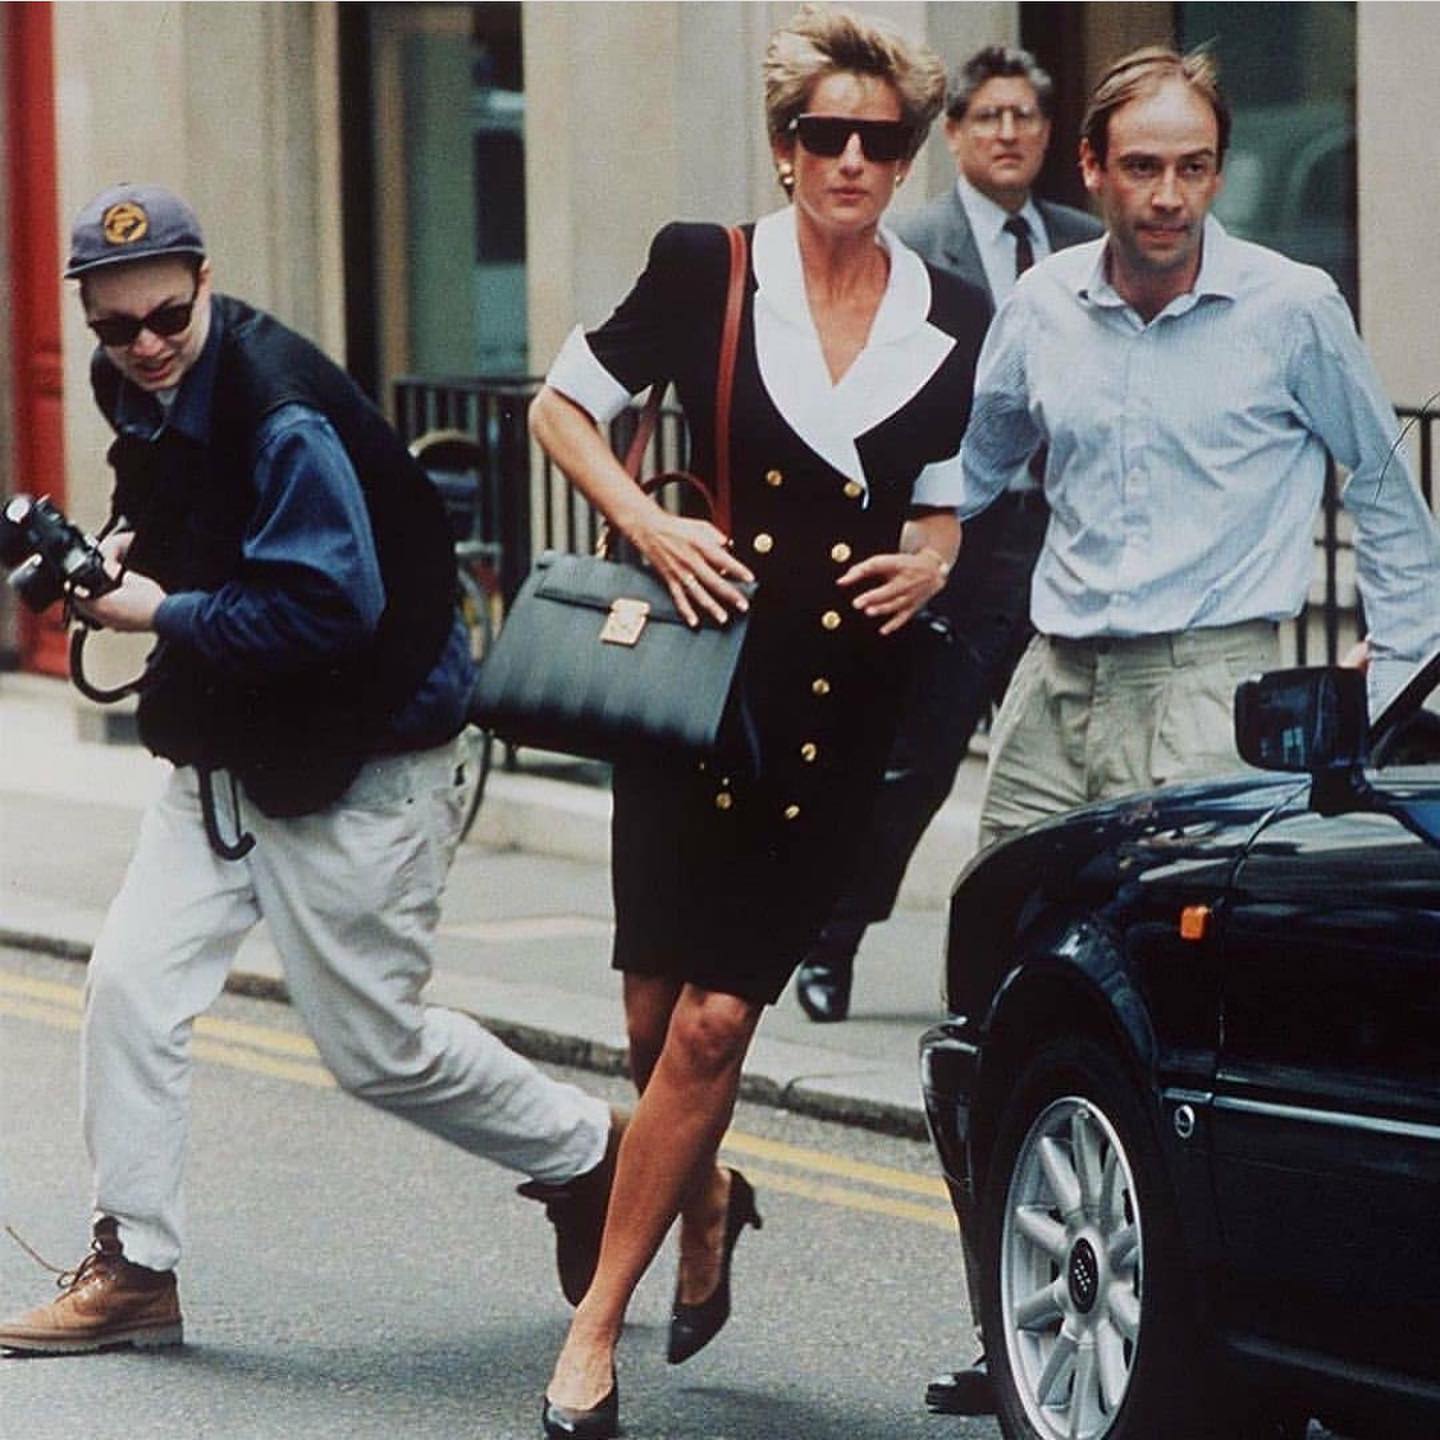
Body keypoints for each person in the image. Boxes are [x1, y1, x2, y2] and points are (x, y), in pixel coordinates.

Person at [0, 183, 623, 1358]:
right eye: (115, 327)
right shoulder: (136, 383)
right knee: (129, 984)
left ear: (207, 283)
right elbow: (179, 501)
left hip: (364, 758)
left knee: (375, 1049)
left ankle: (596, 1155)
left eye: (166, 317)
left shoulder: (283, 416)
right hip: (229, 751)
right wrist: (122, 552)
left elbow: (329, 611)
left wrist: (158, 610)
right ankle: (135, 1268)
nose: (143, 347)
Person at [927, 45, 1440, 1418]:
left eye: (1195, 167)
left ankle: (1182, 1343)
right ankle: (1016, 1318)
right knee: (997, 1010)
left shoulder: (1292, 309)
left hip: (1214, 695)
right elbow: (974, 468)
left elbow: (1386, 501)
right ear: (1091, 168)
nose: (1169, 196)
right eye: (1143, 167)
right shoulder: (1041, 304)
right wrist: (890, 539)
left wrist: (1397, 688)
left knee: (1165, 1036)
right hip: (1056, 693)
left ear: (1218, 171)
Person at [528, 8, 990, 1436]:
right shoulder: (704, 267)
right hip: (698, 685)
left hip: (839, 708)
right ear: (785, 146)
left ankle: (594, 1331)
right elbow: (562, 409)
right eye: (822, 134)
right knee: (652, 1019)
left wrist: (936, 560)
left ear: (906, 158)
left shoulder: (951, 314)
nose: (850, 160)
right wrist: (648, 523)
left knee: (718, 1021)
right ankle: (710, 1192)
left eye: (879, 140)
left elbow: (943, 503)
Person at [794, 43, 1101, 1024]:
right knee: (914, 764)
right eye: (988, 117)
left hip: (1065, 538)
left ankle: (1044, 972)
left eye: (1026, 117)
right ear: (956, 134)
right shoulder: (914, 245)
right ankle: (830, 939)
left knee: (1066, 763)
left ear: (1047, 135)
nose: (1008, 133)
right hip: (955, 544)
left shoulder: (1085, 243)